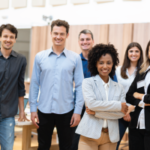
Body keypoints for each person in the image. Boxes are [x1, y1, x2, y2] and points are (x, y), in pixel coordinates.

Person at [29, 19, 84, 150]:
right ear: (51, 33)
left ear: (67, 35)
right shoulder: (40, 57)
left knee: (66, 147)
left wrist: (77, 111)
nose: (58, 37)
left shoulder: (75, 58)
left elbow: (80, 85)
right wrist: (32, 109)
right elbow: (34, 84)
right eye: (55, 33)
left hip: (66, 111)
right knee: (43, 146)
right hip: (44, 110)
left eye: (62, 34)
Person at [76, 43, 128, 150]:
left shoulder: (119, 87)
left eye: (108, 63)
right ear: (95, 64)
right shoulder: (88, 82)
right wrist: (118, 106)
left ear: (113, 64)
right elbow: (91, 104)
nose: (105, 66)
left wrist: (96, 112)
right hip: (89, 136)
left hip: (110, 137)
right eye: (101, 63)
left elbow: (120, 114)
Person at [71, 29, 118, 150]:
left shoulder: (103, 61)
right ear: (78, 42)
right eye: (82, 39)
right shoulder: (75, 60)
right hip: (79, 107)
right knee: (76, 142)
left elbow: (114, 85)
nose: (85, 42)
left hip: (99, 107)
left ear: (93, 41)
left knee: (98, 138)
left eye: (87, 39)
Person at [0, 24, 28, 150]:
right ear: (0, 38)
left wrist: (22, 111)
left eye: (11, 37)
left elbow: (20, 87)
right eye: (5, 36)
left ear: (15, 39)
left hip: (8, 114)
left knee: (8, 148)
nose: (8, 39)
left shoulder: (21, 59)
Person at [115, 42, 144, 149]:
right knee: (114, 144)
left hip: (137, 113)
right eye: (131, 51)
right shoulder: (118, 70)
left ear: (141, 54)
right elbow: (116, 92)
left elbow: (143, 94)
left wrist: (131, 108)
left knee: (135, 146)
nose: (134, 54)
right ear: (127, 53)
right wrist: (124, 111)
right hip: (120, 112)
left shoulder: (144, 72)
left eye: (137, 51)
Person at [126, 41, 150, 150]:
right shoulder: (142, 71)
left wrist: (140, 96)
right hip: (136, 123)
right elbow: (129, 95)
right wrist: (144, 103)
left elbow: (136, 94)